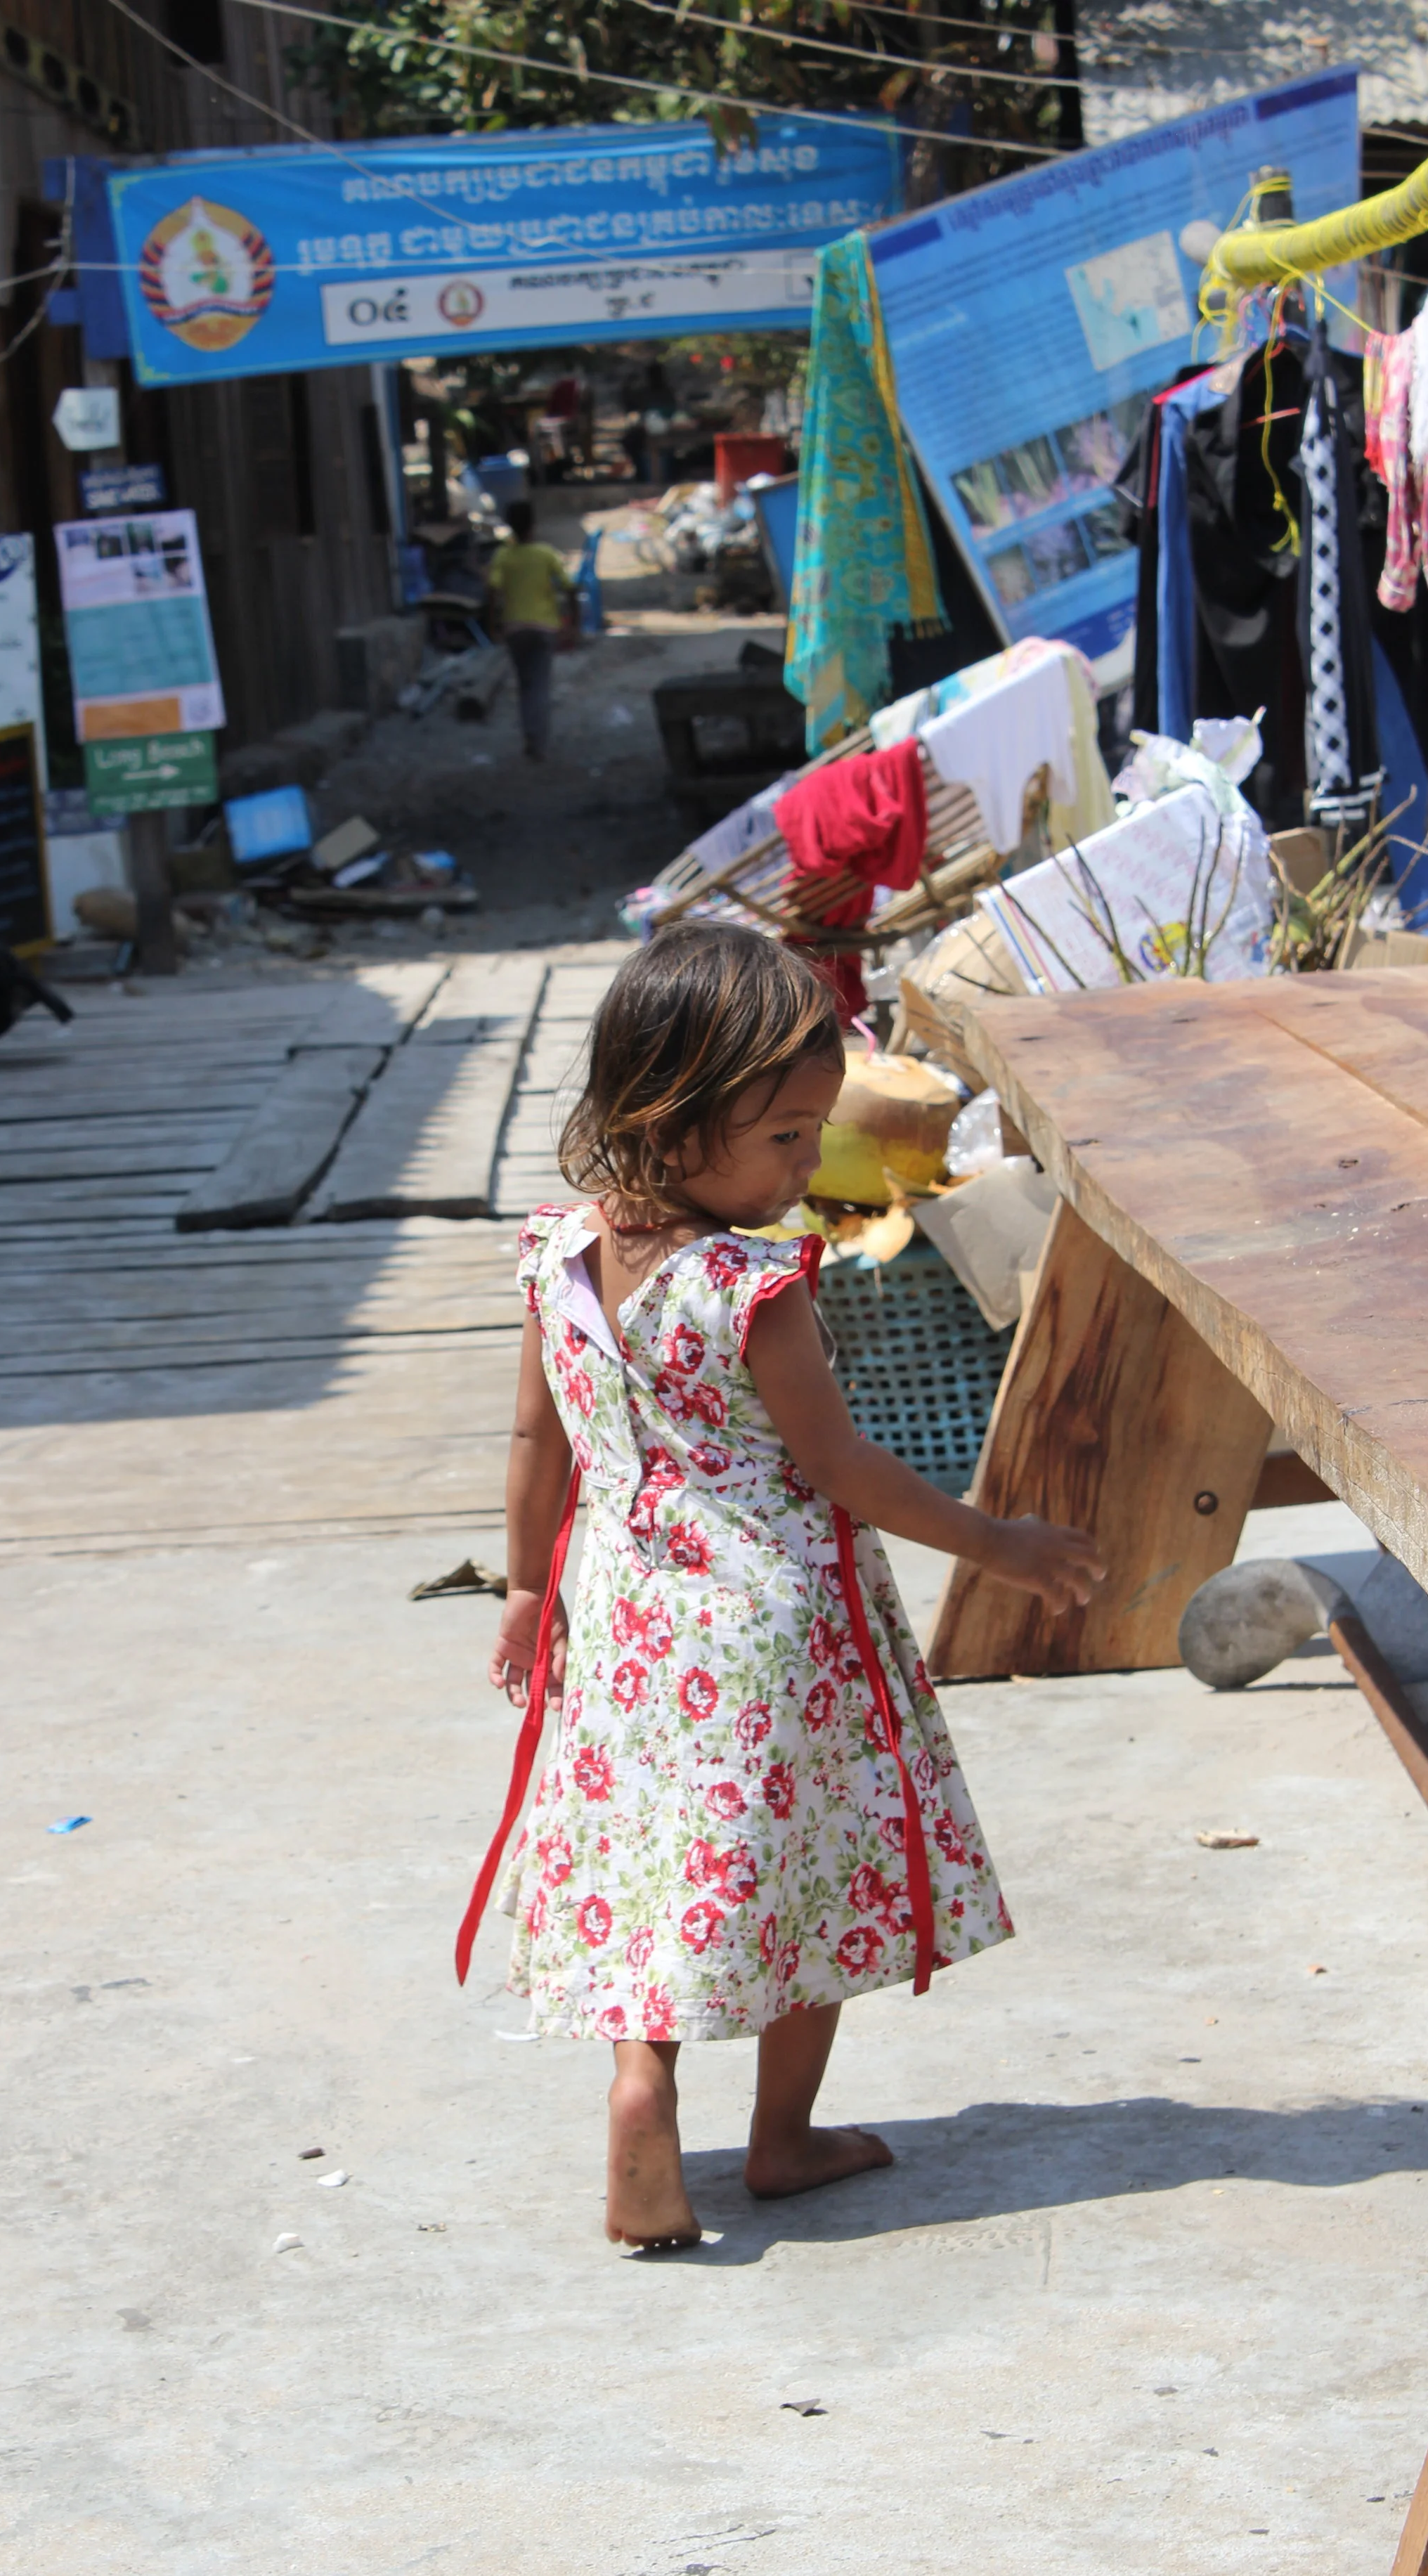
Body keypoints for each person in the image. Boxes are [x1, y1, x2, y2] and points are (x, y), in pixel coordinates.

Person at [470, 926, 1105, 2251]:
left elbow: (537, 1440)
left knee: (650, 1862)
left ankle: (643, 2085)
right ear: (669, 1116)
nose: (809, 1165)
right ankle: (782, 2136)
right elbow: (842, 1466)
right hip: (776, 1631)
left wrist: (530, 1588)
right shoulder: (750, 1288)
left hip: (631, 1625)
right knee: (807, 1871)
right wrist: (998, 1543)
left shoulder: (559, 1257)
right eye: (785, 1138)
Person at [486, 500, 577, 760]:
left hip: (515, 629)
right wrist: (574, 623)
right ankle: (538, 743)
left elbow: (492, 590)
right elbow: (569, 587)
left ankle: (530, 738)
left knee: (525, 684)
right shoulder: (546, 554)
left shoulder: (503, 556)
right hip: (544, 628)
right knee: (540, 685)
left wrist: (493, 624)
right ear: (533, 525)